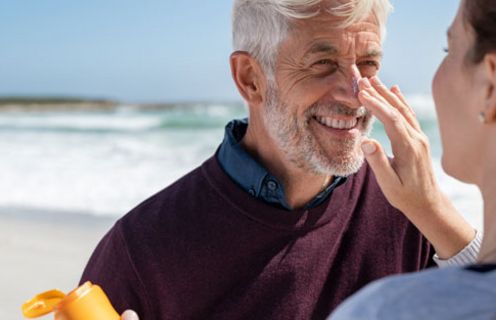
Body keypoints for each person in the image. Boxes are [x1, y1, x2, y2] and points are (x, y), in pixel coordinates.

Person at [81, 1, 483, 319]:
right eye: (322, 64)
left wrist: (434, 213)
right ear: (250, 79)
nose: (353, 92)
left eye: (368, 65)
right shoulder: (142, 250)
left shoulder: (410, 212)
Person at [328, 0, 496, 319]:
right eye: (323, 62)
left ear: (489, 86)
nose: (355, 91)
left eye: (449, 50)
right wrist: (429, 207)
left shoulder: (384, 311)